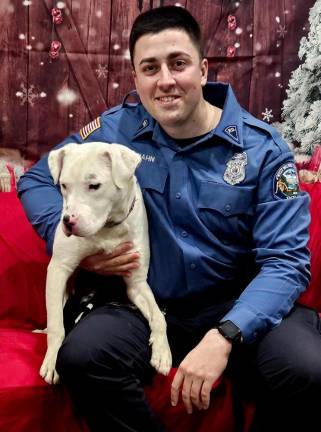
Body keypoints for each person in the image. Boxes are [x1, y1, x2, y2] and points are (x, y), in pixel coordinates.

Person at [18, 5, 321, 432]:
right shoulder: (115, 131)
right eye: (150, 67)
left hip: (238, 305)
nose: (165, 80)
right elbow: (35, 181)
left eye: (178, 63)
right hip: (143, 302)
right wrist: (70, 243)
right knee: (83, 357)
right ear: (137, 78)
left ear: (202, 68)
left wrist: (225, 335)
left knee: (308, 367)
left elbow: (286, 263)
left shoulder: (264, 150)